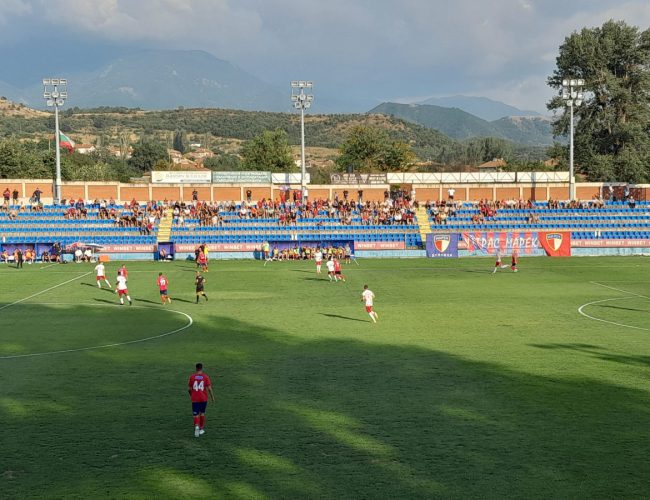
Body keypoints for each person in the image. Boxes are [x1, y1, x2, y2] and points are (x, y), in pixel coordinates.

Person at [188, 362, 216, 437]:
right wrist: (212, 397)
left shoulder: (192, 377)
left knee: (195, 414)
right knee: (202, 413)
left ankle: (196, 426)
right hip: (203, 398)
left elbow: (189, 389)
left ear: (196, 368)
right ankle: (201, 429)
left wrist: (191, 395)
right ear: (202, 368)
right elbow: (209, 389)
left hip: (195, 398)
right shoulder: (205, 377)